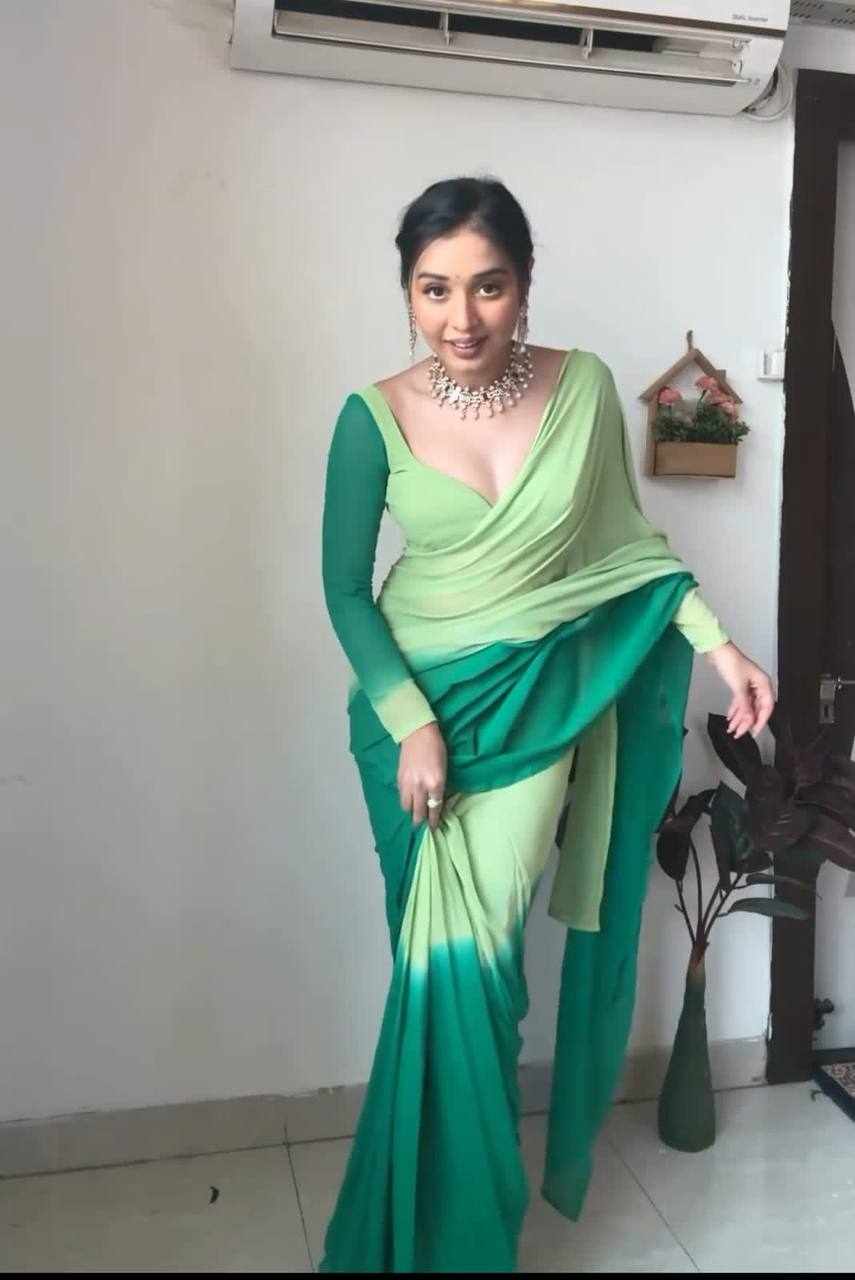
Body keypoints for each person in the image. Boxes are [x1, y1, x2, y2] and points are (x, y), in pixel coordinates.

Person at [319, 176, 775, 1273]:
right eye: (434, 289)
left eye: (487, 286)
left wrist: (720, 646)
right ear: (406, 293)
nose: (460, 316)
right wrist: (412, 723)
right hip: (409, 721)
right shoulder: (369, 417)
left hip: (535, 713)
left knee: (482, 978)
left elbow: (627, 549)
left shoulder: (584, 390)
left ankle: (467, 1241)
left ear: (525, 287)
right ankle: (429, 1230)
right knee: (434, 975)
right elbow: (343, 590)